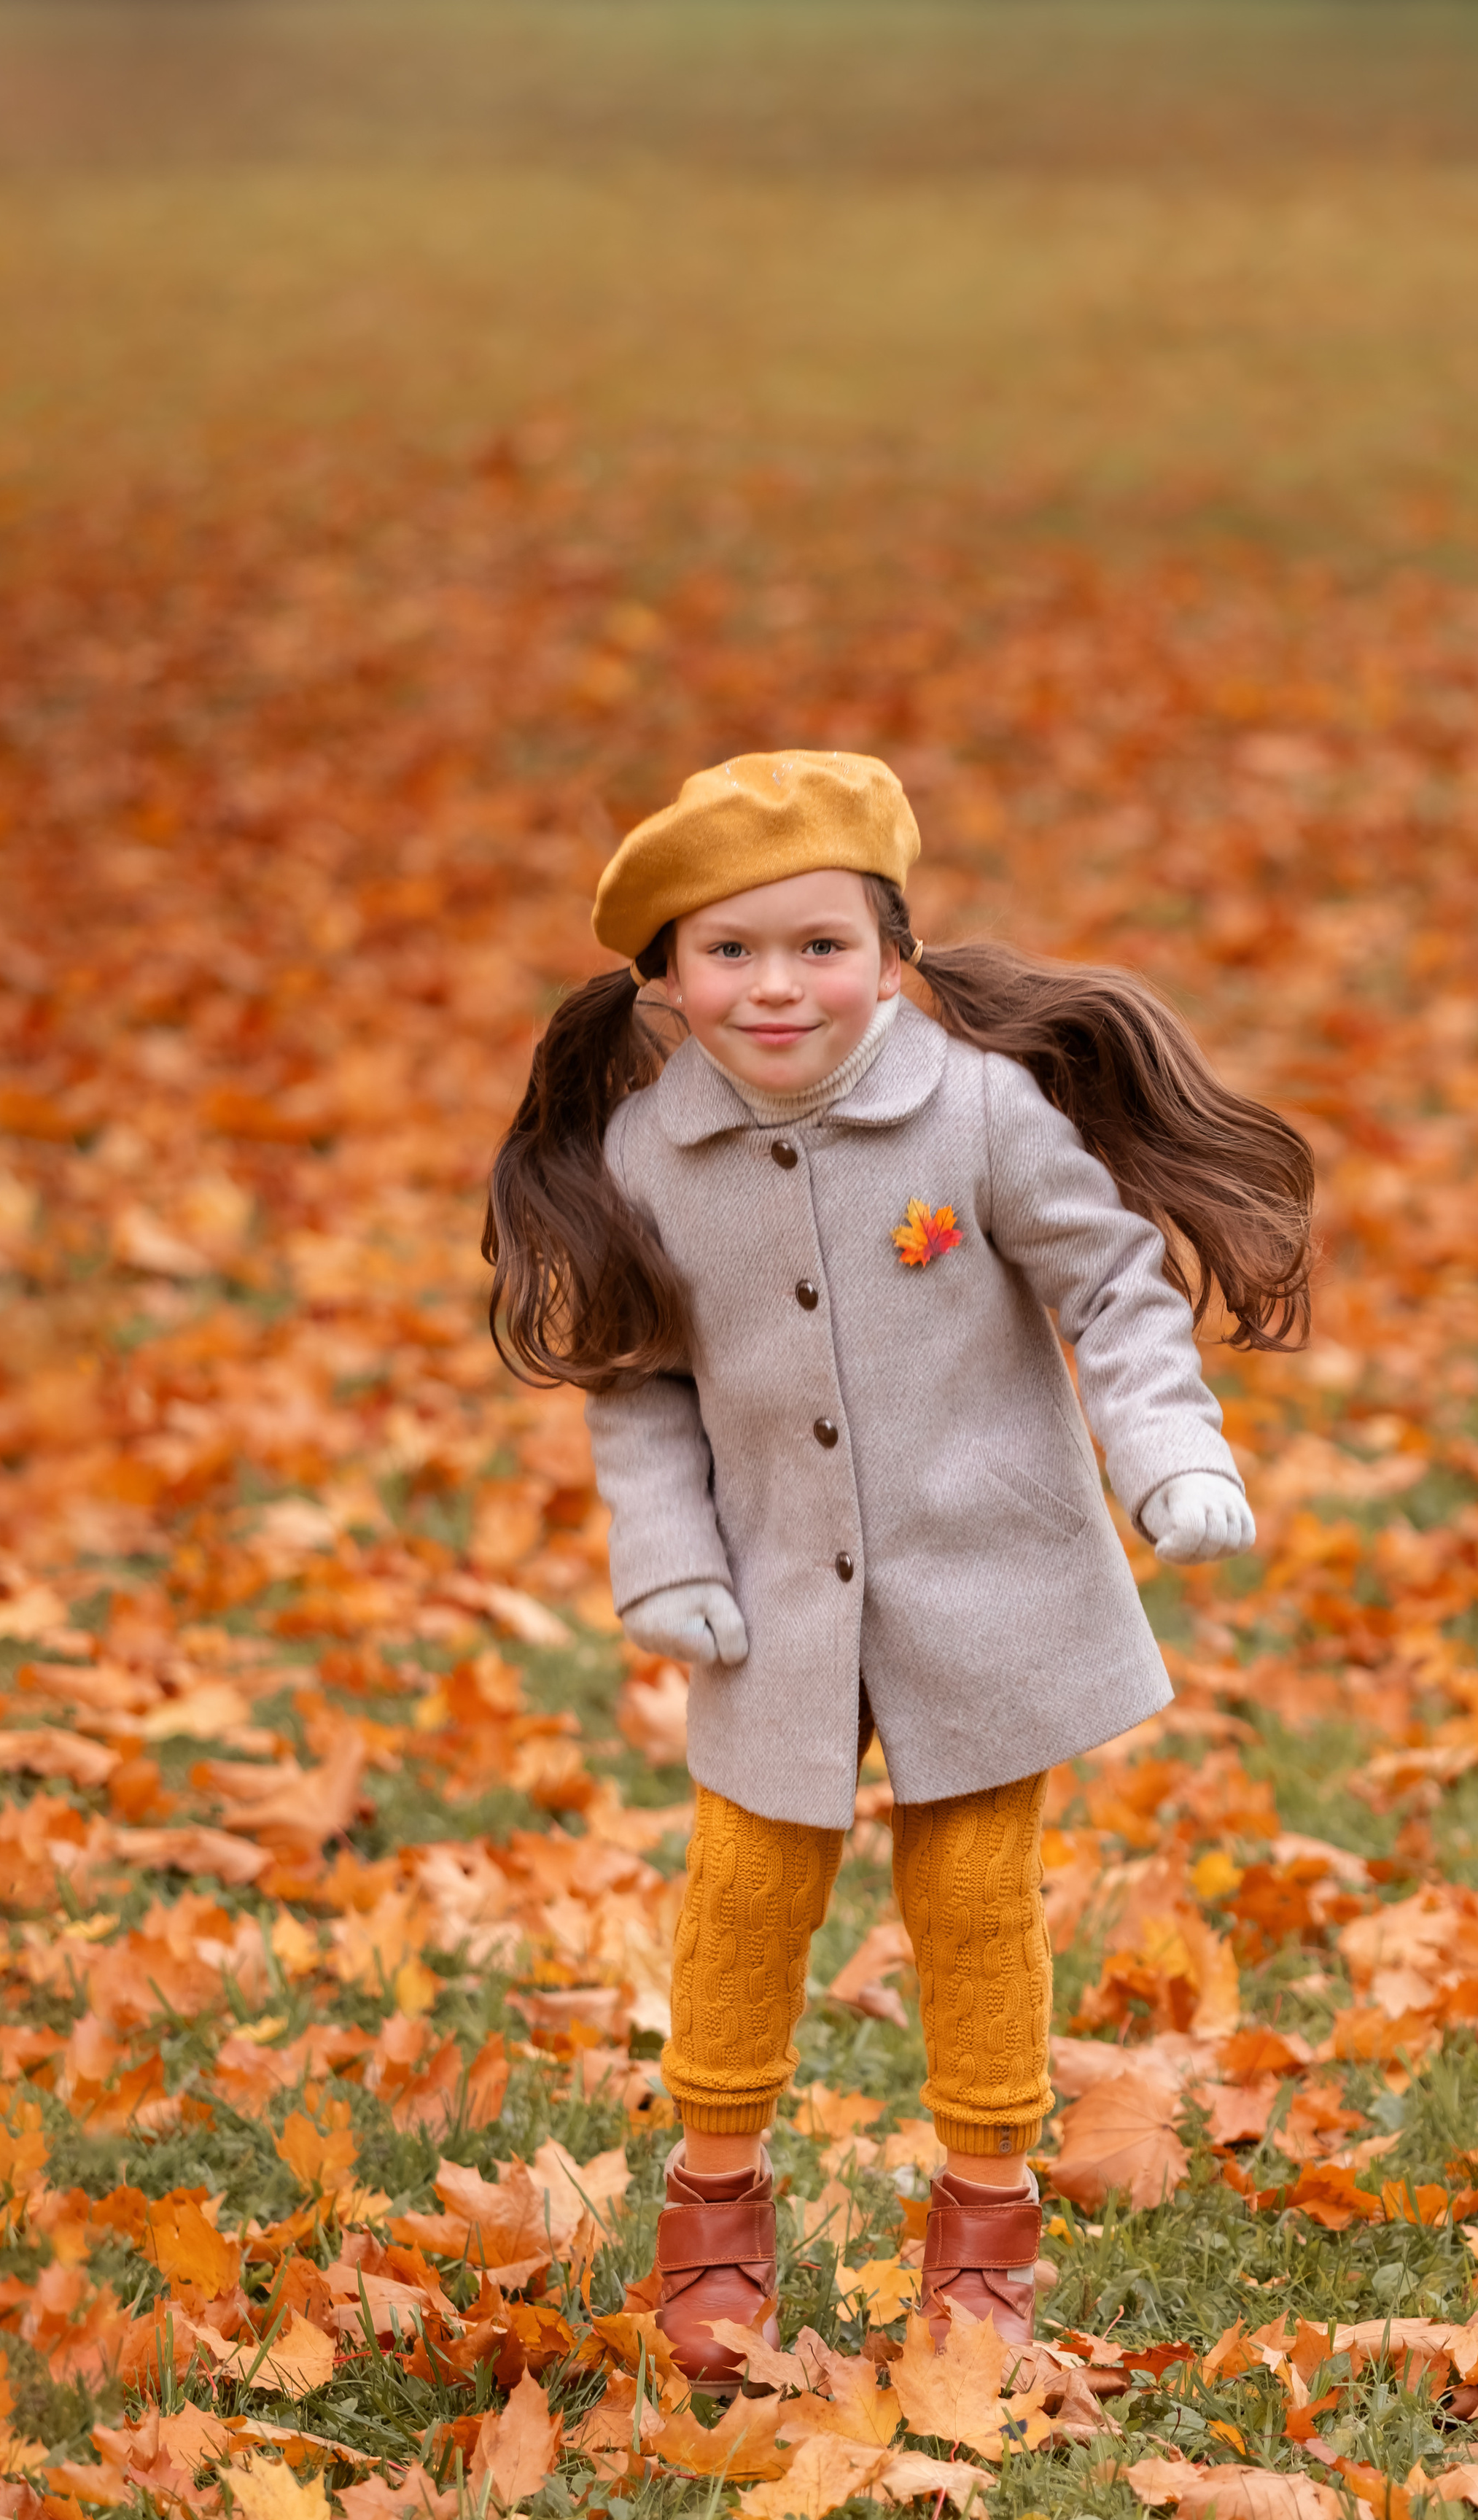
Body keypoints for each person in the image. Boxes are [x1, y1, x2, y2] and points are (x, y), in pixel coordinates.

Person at [484, 751, 1312, 2387]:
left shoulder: (982, 1112)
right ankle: (713, 2208)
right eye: (727, 952)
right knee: (745, 1894)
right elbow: (638, 1381)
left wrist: (1169, 1453)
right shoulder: (651, 1158)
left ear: (890, 951)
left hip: (985, 1583)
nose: (776, 986)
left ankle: (985, 2228)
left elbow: (1115, 1291)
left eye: (818, 945)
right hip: (775, 1597)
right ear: (661, 977)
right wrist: (666, 1558)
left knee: (974, 1898)